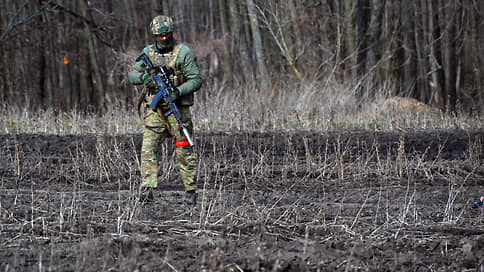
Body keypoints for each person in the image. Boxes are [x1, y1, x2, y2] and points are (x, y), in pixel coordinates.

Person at [128, 15, 202, 205]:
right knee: (148, 149)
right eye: (159, 36)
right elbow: (132, 75)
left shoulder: (183, 52)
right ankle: (147, 189)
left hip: (178, 110)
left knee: (184, 150)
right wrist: (146, 78)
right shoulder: (148, 53)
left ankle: (190, 192)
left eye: (167, 35)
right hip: (155, 112)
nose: (163, 39)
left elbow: (195, 79)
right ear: (154, 35)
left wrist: (178, 91)